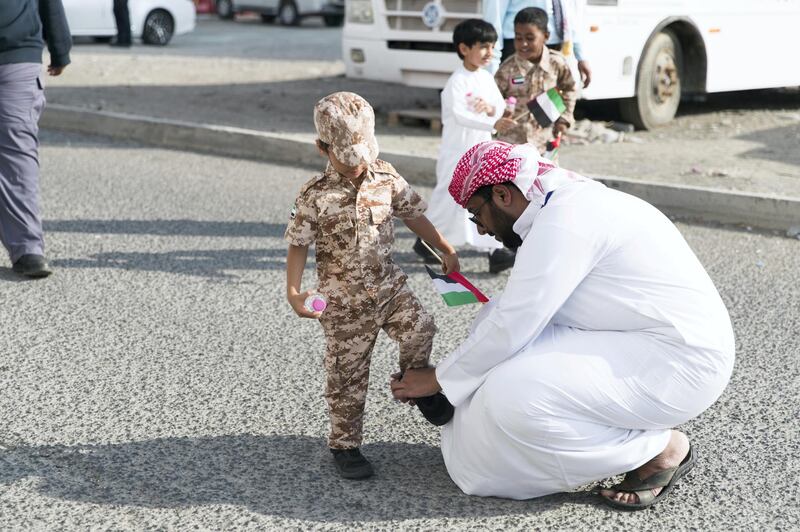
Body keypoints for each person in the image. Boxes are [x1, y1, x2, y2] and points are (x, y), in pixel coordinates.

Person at [391, 141, 735, 510]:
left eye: (477, 214)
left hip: (679, 363)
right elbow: (510, 315)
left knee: (515, 395)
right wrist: (452, 382)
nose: (482, 228)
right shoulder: (556, 204)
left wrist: (438, 378)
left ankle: (657, 450)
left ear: (503, 194)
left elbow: (516, 323)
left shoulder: (566, 218)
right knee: (489, 357)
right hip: (633, 340)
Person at [285, 92, 460, 480]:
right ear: (321, 148)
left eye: (361, 157)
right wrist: (294, 292)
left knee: (421, 328)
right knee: (346, 375)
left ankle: (417, 386)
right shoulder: (315, 195)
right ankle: (345, 445)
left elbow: (413, 215)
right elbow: (298, 244)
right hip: (342, 302)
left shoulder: (386, 176)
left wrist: (443, 247)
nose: (356, 167)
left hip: (388, 287)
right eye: (346, 160)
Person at [415, 19, 517, 274]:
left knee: (482, 196)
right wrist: (493, 121)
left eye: (492, 47)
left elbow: (499, 103)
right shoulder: (456, 82)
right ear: (464, 48)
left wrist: (493, 110)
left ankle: (495, 251)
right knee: (448, 198)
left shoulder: (485, 77)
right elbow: (460, 115)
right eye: (483, 47)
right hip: (458, 151)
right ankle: (426, 238)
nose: (489, 53)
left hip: (481, 149)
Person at [0, 0, 71, 278]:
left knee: (17, 152)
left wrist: (60, 48)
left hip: (18, 56)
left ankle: (29, 249)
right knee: (18, 153)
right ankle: (28, 249)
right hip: (20, 55)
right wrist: (60, 48)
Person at [495, 8, 577, 154]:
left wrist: (564, 120)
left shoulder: (556, 64)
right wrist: (498, 118)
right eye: (518, 38)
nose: (523, 44)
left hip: (544, 145)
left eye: (530, 38)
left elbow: (569, 89)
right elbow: (493, 98)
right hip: (512, 147)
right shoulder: (507, 69)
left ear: (546, 36)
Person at [483, 0, 591, 88]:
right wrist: (491, 66)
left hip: (553, 49)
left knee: (550, 102)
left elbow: (568, 14)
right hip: (520, 47)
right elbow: (493, 21)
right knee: (519, 100)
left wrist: (580, 56)